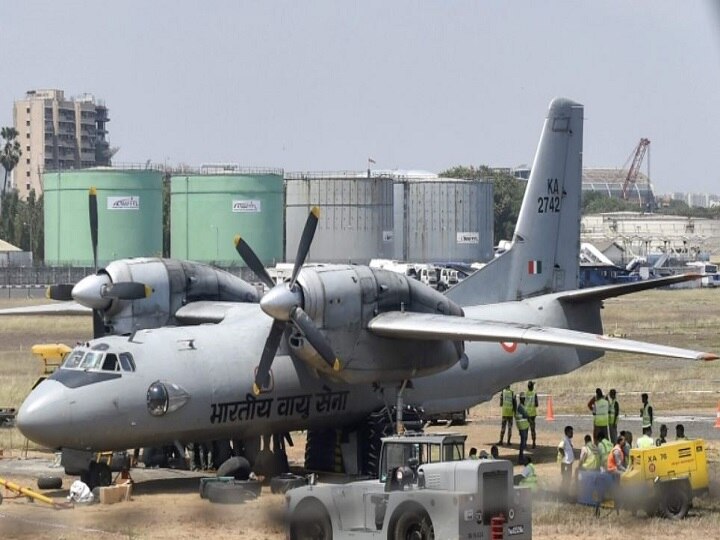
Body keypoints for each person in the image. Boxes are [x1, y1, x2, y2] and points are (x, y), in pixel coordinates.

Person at [557, 425, 575, 498]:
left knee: (568, 478)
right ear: (567, 432)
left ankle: (565, 493)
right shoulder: (564, 440)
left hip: (569, 463)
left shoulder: (568, 440)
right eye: (571, 432)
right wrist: (564, 456)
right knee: (566, 478)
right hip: (566, 463)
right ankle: (563, 493)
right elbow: (560, 448)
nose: (572, 434)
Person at [516, 393, 530, 463]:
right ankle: (520, 458)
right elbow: (525, 415)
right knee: (522, 443)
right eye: (523, 398)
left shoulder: (522, 406)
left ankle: (522, 457)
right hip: (522, 426)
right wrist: (529, 418)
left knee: (523, 442)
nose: (524, 399)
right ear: (521, 399)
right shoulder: (520, 407)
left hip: (524, 426)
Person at [525, 381, 539, 449]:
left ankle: (525, 443)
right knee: (532, 429)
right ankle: (533, 443)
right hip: (532, 414)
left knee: (526, 429)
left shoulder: (525, 394)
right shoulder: (534, 394)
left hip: (526, 413)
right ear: (532, 387)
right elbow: (536, 404)